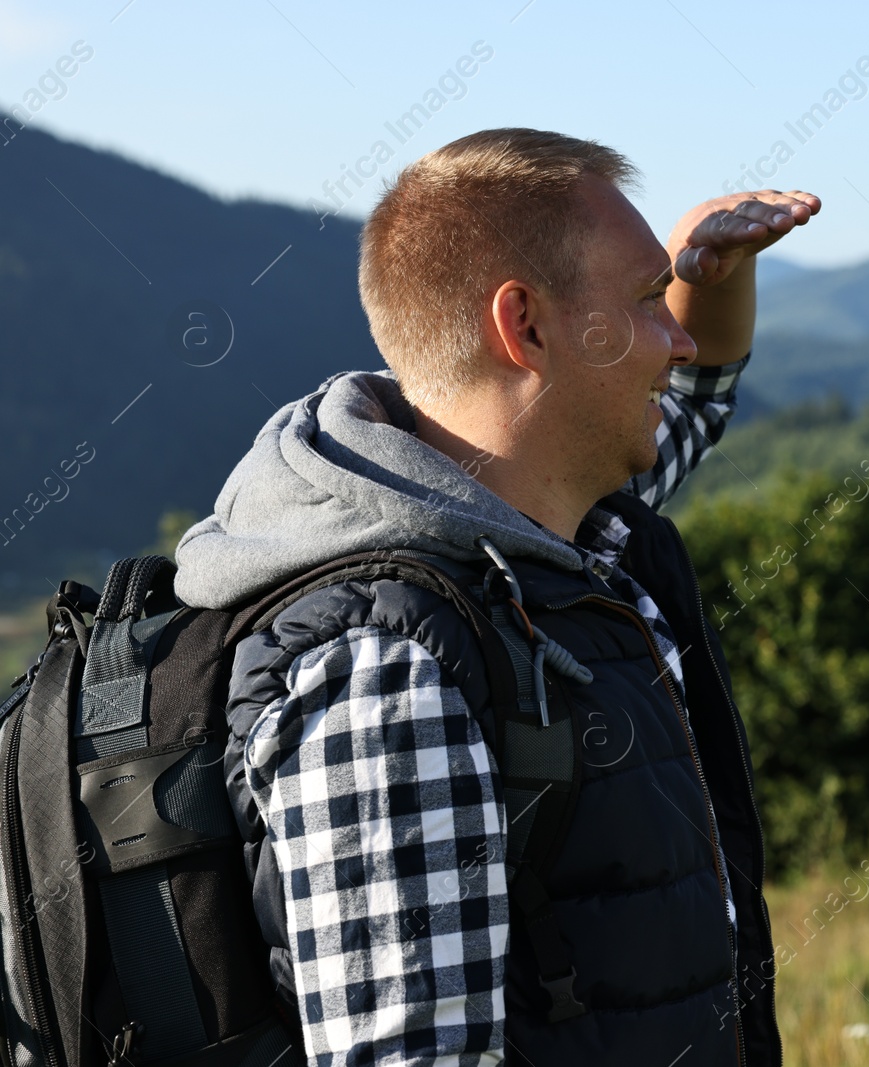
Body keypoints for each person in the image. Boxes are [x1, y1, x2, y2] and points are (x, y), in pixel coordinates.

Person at [173, 128, 819, 1065]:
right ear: (526, 327)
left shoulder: (554, 531)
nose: (676, 337)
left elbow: (696, 398)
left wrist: (703, 272)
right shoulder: (389, 670)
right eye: (646, 302)